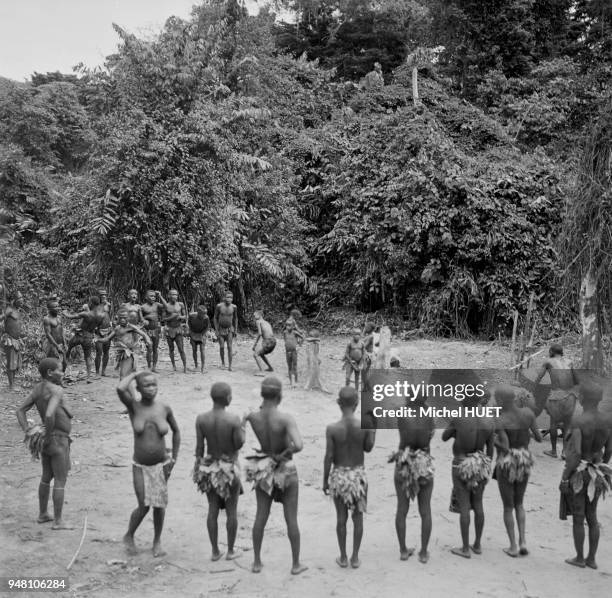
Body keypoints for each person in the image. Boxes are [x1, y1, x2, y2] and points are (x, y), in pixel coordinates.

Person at [244, 376, 307, 575]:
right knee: (291, 519)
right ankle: (296, 564)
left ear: (263, 394)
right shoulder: (285, 418)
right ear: (280, 395)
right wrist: (285, 453)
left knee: (261, 516)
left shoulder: (253, 417)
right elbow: (298, 445)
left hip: (264, 468)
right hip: (285, 469)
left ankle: (256, 562)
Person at [117, 370, 180, 557]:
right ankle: (129, 535)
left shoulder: (164, 408)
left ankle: (157, 541)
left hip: (161, 465)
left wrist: (174, 458)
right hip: (140, 465)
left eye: (154, 385)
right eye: (147, 385)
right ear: (138, 388)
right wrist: (136, 373)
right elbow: (120, 388)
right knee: (144, 504)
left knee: (159, 505)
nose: (152, 389)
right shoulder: (133, 407)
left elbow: (176, 431)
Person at [16, 358, 73, 529]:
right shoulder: (56, 390)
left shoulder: (37, 389)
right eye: (60, 370)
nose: (63, 373)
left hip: (47, 441)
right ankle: (58, 521)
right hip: (57, 439)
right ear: (50, 373)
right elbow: (49, 415)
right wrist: (48, 435)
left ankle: (42, 514)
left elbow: (20, 410)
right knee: (61, 480)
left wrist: (28, 430)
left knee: (46, 477)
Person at [559, 382, 612, 570]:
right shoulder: (607, 421)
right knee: (592, 516)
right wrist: (600, 467)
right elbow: (609, 452)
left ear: (582, 399)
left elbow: (575, 454)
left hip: (580, 474)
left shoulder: (578, 422)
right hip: (597, 472)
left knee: (579, 516)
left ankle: (580, 558)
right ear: (599, 399)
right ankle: (592, 559)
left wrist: (565, 477)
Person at [323, 386, 375, 569]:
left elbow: (329, 456)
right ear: (357, 403)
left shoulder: (332, 429)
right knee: (358, 517)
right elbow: (368, 448)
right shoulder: (364, 426)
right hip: (358, 476)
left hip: (339, 476)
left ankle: (343, 557)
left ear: (338, 403)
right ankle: (355, 557)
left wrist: (324, 481)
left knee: (341, 518)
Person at [193, 382, 244, 560]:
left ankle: (215, 551)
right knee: (231, 511)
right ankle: (230, 551)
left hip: (209, 468)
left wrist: (197, 469)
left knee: (212, 509)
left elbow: (199, 448)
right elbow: (238, 443)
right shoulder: (233, 420)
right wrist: (242, 427)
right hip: (229, 468)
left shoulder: (201, 419)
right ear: (228, 398)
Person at [442, 393, 495, 558]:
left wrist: (454, 427)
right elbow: (491, 451)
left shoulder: (458, 417)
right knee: (478, 504)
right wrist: (485, 471)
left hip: (460, 464)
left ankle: (465, 548)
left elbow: (444, 437)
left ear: (466, 400)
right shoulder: (488, 421)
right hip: (480, 465)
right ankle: (477, 545)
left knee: (465, 506)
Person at [494, 385, 542, 558]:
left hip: (507, 463)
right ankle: (523, 542)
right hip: (524, 460)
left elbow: (505, 448)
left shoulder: (501, 420)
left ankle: (513, 546)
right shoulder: (528, 414)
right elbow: (539, 437)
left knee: (508, 507)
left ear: (500, 401)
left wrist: (493, 440)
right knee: (519, 503)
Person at [388, 389, 434, 563]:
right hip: (424, 461)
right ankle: (423, 553)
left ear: (409, 397)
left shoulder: (401, 412)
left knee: (402, 508)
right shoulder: (429, 414)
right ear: (424, 399)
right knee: (425, 510)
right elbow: (429, 435)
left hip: (404, 462)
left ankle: (403, 550)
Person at [534, 344, 578, 458]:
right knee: (567, 425)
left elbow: (539, 377)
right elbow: (577, 380)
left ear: (551, 352)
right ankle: (564, 452)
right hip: (570, 397)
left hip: (557, 397)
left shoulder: (548, 362)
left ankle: (554, 451)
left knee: (553, 423)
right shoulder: (570, 361)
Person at [98, 309, 152, 379]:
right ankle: (128, 386)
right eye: (121, 318)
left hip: (129, 353)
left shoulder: (131, 327)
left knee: (124, 375)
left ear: (128, 318)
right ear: (118, 318)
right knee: (125, 374)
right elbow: (107, 339)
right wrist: (98, 340)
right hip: (121, 353)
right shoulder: (117, 328)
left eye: (124, 318)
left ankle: (125, 385)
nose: (122, 320)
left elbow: (144, 334)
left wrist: (148, 340)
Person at [63, 297, 103, 381]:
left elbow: (70, 316)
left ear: (91, 303)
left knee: (68, 349)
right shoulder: (100, 316)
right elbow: (96, 328)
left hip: (79, 335)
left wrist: (64, 312)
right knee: (88, 357)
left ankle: (62, 372)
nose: (88, 304)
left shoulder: (86, 314)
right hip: (88, 337)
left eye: (89, 302)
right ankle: (88, 377)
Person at [158, 290, 187, 373]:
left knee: (181, 349)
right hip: (169, 329)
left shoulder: (181, 304)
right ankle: (174, 366)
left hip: (178, 329)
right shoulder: (166, 306)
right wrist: (172, 317)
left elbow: (185, 316)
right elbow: (163, 319)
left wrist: (180, 317)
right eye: (173, 294)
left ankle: (185, 366)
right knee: (171, 349)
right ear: (168, 296)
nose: (175, 296)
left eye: (176, 295)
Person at [2, 291, 25, 390]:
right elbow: (2, 317)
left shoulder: (18, 311)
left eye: (22, 299)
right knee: (11, 363)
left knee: (15, 363)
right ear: (13, 300)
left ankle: (13, 384)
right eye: (19, 299)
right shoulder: (9, 310)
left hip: (17, 340)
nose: (21, 301)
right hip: (9, 340)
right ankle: (11, 385)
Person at [214, 292, 238, 371]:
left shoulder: (234, 307)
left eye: (231, 297)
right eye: (227, 297)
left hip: (230, 329)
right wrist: (216, 330)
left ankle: (230, 366)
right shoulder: (219, 306)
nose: (229, 299)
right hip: (221, 329)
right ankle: (223, 363)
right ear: (224, 298)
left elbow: (235, 319)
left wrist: (236, 330)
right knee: (221, 347)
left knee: (230, 347)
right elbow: (215, 318)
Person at [141, 291, 164, 372]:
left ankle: (154, 367)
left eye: (154, 296)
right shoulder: (143, 307)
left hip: (156, 330)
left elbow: (166, 306)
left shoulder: (157, 305)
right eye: (151, 296)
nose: (153, 298)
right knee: (149, 348)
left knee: (155, 348)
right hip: (147, 330)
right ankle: (149, 366)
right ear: (146, 297)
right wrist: (146, 318)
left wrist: (160, 296)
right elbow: (140, 319)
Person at [42, 299, 66, 371]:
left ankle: (60, 378)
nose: (58, 308)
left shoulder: (59, 317)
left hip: (60, 344)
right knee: (55, 364)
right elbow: (48, 334)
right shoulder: (47, 319)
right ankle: (52, 379)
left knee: (64, 363)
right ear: (50, 309)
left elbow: (62, 331)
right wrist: (56, 346)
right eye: (55, 307)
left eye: (58, 306)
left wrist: (64, 343)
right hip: (52, 345)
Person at [94, 289, 113, 376]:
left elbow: (110, 316)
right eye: (102, 295)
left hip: (108, 331)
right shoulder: (94, 306)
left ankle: (103, 371)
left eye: (105, 294)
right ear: (98, 296)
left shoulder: (108, 305)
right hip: (98, 332)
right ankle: (97, 372)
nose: (104, 296)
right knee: (99, 352)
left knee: (106, 351)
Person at [188, 305, 210, 373]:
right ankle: (196, 366)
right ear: (198, 312)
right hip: (193, 333)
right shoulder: (191, 316)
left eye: (205, 313)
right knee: (194, 349)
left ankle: (202, 367)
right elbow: (189, 324)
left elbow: (207, 327)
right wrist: (191, 333)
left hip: (202, 333)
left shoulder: (206, 318)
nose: (205, 315)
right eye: (203, 313)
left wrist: (201, 335)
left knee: (202, 349)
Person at [283, 319, 303, 387]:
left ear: (293, 326)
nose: (287, 327)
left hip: (294, 352)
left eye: (289, 325)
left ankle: (296, 381)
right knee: (289, 367)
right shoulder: (285, 332)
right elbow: (285, 339)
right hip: (287, 352)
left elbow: (302, 337)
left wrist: (299, 345)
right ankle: (291, 382)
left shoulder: (295, 333)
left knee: (294, 366)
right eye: (286, 325)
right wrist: (286, 345)